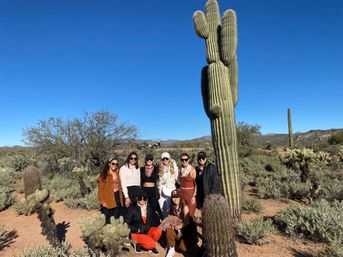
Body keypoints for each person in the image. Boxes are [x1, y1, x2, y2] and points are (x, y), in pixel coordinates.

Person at [126, 189, 162, 255]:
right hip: (137, 233)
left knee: (158, 231)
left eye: (144, 198)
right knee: (150, 244)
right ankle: (137, 243)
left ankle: (149, 243)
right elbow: (127, 224)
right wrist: (136, 229)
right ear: (137, 199)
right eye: (140, 198)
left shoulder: (149, 208)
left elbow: (154, 218)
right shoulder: (133, 210)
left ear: (146, 199)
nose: (142, 200)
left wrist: (155, 224)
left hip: (146, 231)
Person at [165, 189, 198, 257]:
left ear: (180, 197)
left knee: (183, 248)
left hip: (185, 232)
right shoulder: (171, 208)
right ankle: (171, 248)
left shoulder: (185, 207)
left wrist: (180, 226)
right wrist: (171, 224)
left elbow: (187, 221)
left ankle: (177, 243)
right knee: (168, 229)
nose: (176, 199)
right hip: (177, 231)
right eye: (174, 197)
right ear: (171, 198)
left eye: (177, 197)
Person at [97, 156, 124, 224]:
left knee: (116, 216)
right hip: (108, 197)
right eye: (113, 163)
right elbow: (100, 190)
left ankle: (114, 232)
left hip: (117, 196)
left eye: (116, 164)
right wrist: (102, 201)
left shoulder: (118, 173)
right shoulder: (103, 175)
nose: (114, 165)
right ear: (109, 164)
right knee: (107, 217)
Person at [140, 153, 163, 219]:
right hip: (144, 191)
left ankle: (155, 223)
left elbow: (160, 178)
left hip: (153, 191)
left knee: (153, 208)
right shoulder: (141, 169)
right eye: (147, 159)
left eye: (151, 159)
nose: (149, 161)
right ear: (145, 161)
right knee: (145, 208)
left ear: (153, 160)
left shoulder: (156, 169)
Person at [157, 152, 179, 218]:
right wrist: (159, 187)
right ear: (161, 160)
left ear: (169, 159)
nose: (165, 160)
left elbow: (178, 179)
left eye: (167, 158)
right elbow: (159, 180)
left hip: (171, 191)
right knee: (163, 210)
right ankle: (166, 225)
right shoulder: (160, 168)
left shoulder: (174, 167)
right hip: (162, 192)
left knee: (171, 209)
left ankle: (172, 225)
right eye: (163, 159)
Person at [178, 153, 197, 218]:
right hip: (182, 195)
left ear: (188, 160)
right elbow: (179, 181)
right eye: (182, 160)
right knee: (184, 214)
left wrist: (194, 196)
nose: (184, 161)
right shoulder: (180, 170)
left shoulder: (192, 170)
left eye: (186, 159)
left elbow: (196, 183)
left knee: (190, 215)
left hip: (190, 195)